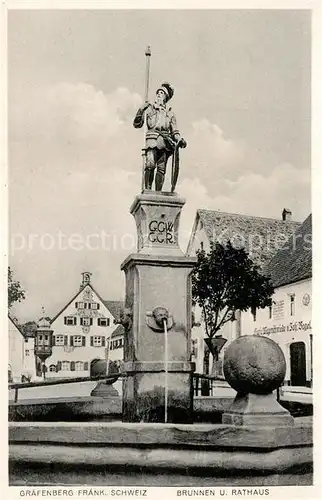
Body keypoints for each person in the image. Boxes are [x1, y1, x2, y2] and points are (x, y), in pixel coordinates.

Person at [133, 82, 187, 191]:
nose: (159, 95)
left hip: (165, 143)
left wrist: (179, 140)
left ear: (165, 98)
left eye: (162, 93)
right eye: (158, 92)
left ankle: (158, 192)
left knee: (161, 169)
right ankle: (147, 190)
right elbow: (137, 124)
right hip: (151, 141)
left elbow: (175, 131)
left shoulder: (170, 113)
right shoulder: (149, 109)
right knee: (150, 165)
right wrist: (140, 110)